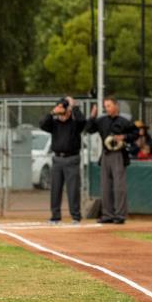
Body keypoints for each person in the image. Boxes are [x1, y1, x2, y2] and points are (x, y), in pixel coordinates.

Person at [86, 96, 138, 224]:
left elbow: (136, 133)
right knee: (105, 185)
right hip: (105, 154)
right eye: (105, 106)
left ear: (116, 106)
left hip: (118, 155)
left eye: (109, 106)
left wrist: (124, 137)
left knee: (119, 186)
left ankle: (120, 215)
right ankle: (107, 214)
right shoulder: (102, 120)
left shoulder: (124, 121)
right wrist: (92, 116)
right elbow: (89, 129)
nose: (106, 108)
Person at [39, 96, 87, 224]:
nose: (61, 111)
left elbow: (82, 121)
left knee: (72, 189)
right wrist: (52, 112)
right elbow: (42, 124)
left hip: (71, 158)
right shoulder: (54, 124)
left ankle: (76, 216)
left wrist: (73, 106)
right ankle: (55, 216)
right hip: (57, 159)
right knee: (55, 189)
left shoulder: (74, 124)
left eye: (63, 108)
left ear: (68, 110)